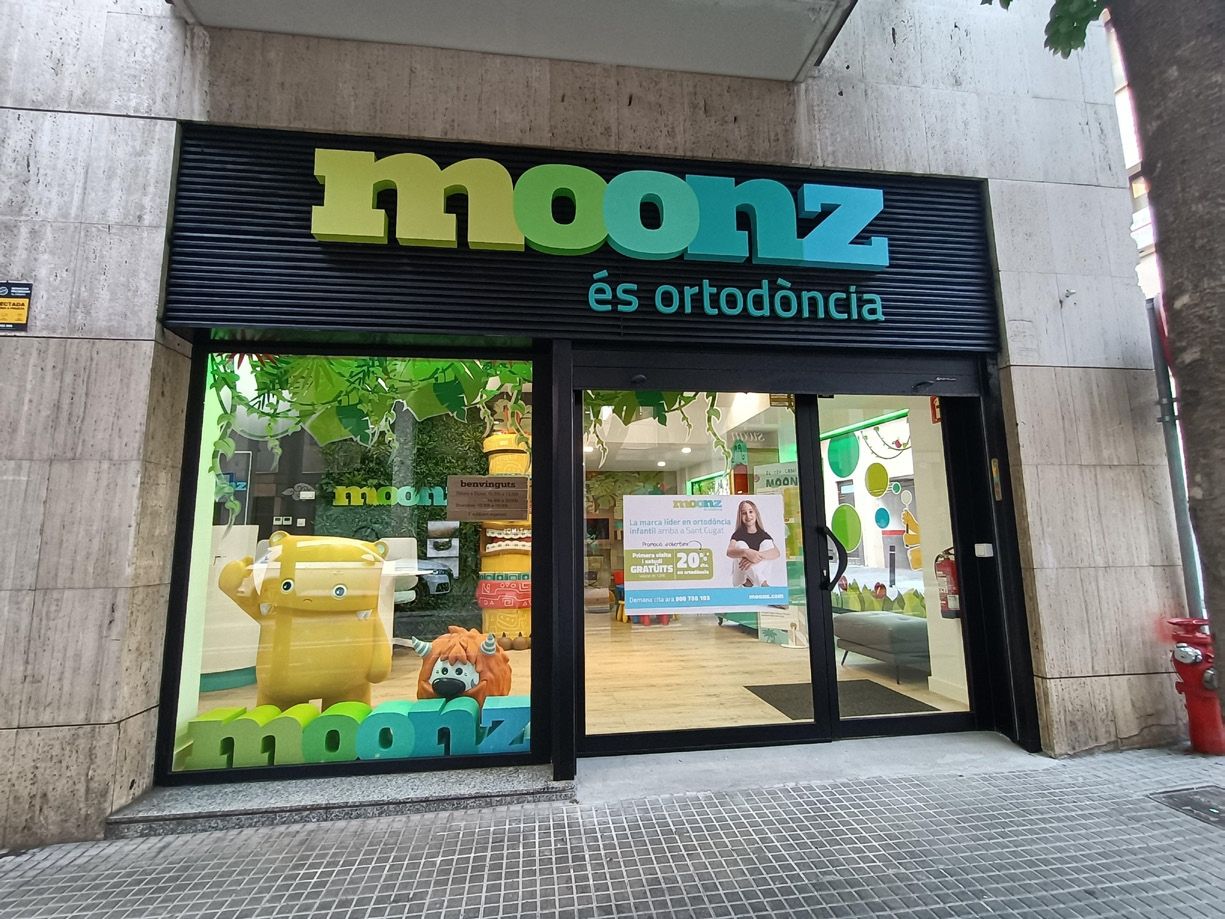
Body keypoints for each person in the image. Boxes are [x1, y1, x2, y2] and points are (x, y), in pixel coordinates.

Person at [726, 499, 780, 587]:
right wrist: (746, 553)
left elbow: (776, 553)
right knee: (740, 544)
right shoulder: (738, 534)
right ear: (740, 516)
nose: (748, 516)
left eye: (751, 512)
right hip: (741, 579)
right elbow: (729, 552)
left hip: (756, 576)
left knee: (767, 544)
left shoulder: (764, 535)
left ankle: (755, 580)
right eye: (744, 513)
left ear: (756, 513)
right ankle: (763, 583)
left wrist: (755, 558)